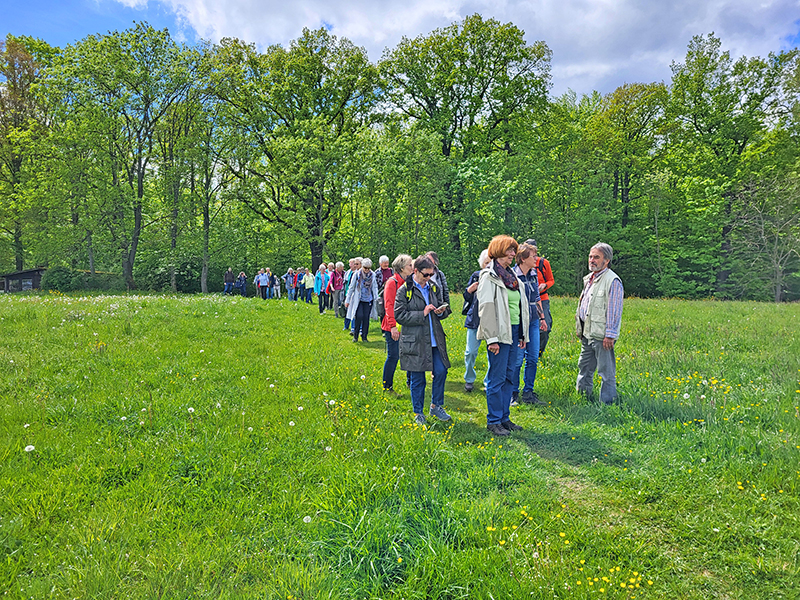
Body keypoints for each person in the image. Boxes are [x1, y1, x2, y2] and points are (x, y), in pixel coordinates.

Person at [477, 235, 529, 436]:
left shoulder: (512, 277)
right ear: (498, 251)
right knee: (496, 378)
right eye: (509, 251)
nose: (513, 255)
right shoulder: (489, 277)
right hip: (499, 335)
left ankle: (505, 418)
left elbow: (521, 306)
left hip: (515, 332)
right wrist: (492, 339)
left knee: (510, 377)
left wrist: (523, 334)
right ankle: (493, 421)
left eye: (514, 251)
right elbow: (487, 309)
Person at [394, 255, 451, 425]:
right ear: (416, 271)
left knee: (441, 371)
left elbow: (444, 305)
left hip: (435, 339)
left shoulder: (433, 287)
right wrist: (422, 313)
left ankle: (436, 405)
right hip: (415, 340)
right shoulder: (404, 290)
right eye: (426, 274)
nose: (429, 278)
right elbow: (399, 315)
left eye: (431, 275)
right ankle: (418, 412)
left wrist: (442, 311)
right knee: (418, 378)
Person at [576, 243, 624, 405]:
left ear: (606, 261)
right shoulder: (590, 279)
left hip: (602, 334)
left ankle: (608, 403)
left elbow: (614, 310)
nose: (592, 260)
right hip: (587, 332)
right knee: (584, 366)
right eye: (591, 256)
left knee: (606, 371)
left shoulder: (612, 280)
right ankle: (583, 398)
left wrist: (610, 335)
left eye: (596, 257)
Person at [512, 244, 549, 406]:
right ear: (522, 258)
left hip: (533, 320)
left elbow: (536, 297)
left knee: (533, 357)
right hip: (520, 322)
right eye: (533, 256)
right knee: (517, 359)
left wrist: (542, 318)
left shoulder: (533, 273)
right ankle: (513, 393)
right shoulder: (512, 275)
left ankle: (528, 392)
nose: (536, 259)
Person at [380, 254, 413, 393]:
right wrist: (393, 326)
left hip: (406, 325)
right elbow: (389, 305)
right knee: (393, 356)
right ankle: (387, 386)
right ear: (401, 268)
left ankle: (411, 383)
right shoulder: (392, 283)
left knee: (411, 354)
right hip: (392, 326)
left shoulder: (409, 282)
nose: (412, 268)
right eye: (409, 265)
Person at [462, 249, 490, 393]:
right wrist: (470, 289)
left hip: (491, 321)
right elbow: (466, 297)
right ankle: (469, 378)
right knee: (471, 352)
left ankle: (488, 381)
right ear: (481, 264)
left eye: (491, 262)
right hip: (474, 319)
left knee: (492, 353)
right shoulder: (475, 276)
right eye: (486, 262)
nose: (488, 265)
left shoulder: (497, 278)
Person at [525, 239, 555, 358]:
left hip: (542, 298)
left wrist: (545, 285)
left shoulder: (543, 263)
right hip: (527, 299)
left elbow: (551, 280)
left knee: (545, 327)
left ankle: (538, 353)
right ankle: (525, 353)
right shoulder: (521, 264)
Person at [344, 257, 378, 342]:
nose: (366, 270)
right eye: (365, 268)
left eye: (368, 268)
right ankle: (355, 336)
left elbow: (374, 287)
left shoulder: (372, 275)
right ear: (362, 266)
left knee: (366, 318)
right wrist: (347, 300)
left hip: (368, 299)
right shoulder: (357, 274)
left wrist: (376, 298)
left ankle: (364, 336)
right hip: (359, 299)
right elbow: (351, 288)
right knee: (359, 316)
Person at [426, 251, 451, 317]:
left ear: (434, 261)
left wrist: (447, 308)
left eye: (430, 260)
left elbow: (445, 290)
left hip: (438, 305)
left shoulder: (439, 274)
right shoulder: (422, 274)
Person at [343, 258, 361, 331]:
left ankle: (355, 328)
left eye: (352, 264)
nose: (351, 265)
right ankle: (347, 326)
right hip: (349, 292)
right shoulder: (349, 272)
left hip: (356, 294)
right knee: (349, 311)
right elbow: (347, 282)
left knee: (355, 311)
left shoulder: (358, 273)